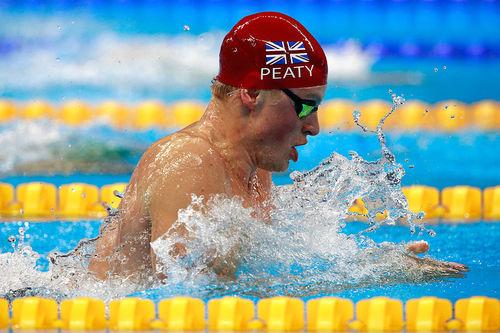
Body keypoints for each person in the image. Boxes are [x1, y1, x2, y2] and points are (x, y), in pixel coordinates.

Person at [89, 12, 466, 281]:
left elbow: (265, 271)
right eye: (305, 105)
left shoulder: (254, 169)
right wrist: (370, 280)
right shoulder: (191, 162)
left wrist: (377, 263)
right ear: (251, 93)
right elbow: (194, 301)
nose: (314, 126)